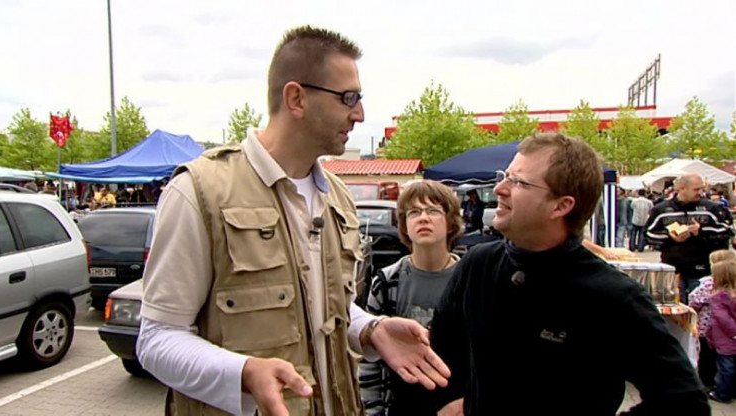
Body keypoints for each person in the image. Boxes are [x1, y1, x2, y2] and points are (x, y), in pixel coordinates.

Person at [136, 26, 449, 416]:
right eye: (348, 98)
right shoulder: (200, 192)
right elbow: (157, 338)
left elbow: (326, 309)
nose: (360, 114)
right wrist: (243, 373)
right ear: (296, 98)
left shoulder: (337, 198)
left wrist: (370, 329)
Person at [430, 132, 709, 415]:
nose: (500, 188)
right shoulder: (478, 264)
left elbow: (685, 402)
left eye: (519, 182)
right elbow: (441, 348)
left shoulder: (613, 296)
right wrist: (451, 401)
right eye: (505, 176)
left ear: (561, 206)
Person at [359, 180, 463, 415]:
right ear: (404, 225)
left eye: (433, 211)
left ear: (450, 223)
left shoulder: (470, 280)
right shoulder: (386, 282)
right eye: (414, 212)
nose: (423, 218)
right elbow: (370, 359)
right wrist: (373, 410)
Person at [645, 173, 733, 304]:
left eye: (702, 188)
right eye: (696, 189)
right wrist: (670, 237)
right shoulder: (661, 209)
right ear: (681, 188)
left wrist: (700, 232)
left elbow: (727, 231)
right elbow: (649, 234)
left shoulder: (711, 208)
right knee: (674, 306)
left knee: (701, 306)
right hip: (673, 267)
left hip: (702, 268)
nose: (700, 193)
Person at [689, 249, 736, 390]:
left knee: (708, 357)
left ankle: (710, 384)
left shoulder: (709, 285)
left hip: (709, 328)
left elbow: (694, 300)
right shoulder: (732, 286)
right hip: (728, 332)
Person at [705, 258, 736, 403]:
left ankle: (722, 393)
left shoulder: (718, 297)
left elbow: (722, 317)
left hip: (725, 339)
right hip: (729, 337)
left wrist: (733, 332)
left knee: (725, 368)